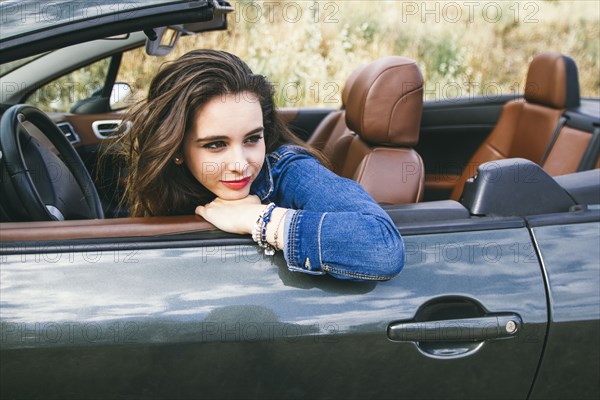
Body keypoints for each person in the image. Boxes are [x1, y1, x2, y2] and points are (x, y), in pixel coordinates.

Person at [108, 49, 404, 281]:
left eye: (252, 139)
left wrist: (260, 220)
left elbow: (380, 247)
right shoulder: (170, 180)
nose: (241, 164)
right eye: (215, 145)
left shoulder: (288, 169)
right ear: (177, 150)